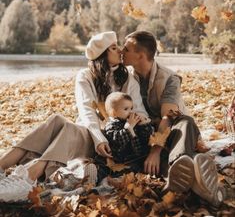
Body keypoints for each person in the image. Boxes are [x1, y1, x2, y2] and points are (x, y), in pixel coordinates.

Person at [0, 31, 149, 202]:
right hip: (94, 136)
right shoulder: (85, 76)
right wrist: (99, 138)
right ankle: (1, 166)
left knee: (69, 129)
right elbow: (86, 111)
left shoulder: (127, 78)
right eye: (114, 48)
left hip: (114, 140)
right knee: (56, 120)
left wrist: (127, 126)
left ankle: (28, 178)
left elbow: (139, 111)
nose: (121, 50)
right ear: (102, 54)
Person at [122, 30, 225, 206]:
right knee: (169, 155)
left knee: (186, 122)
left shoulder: (170, 78)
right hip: (148, 132)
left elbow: (167, 117)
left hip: (175, 131)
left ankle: (177, 167)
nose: (121, 52)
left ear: (140, 55)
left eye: (126, 49)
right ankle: (199, 184)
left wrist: (155, 151)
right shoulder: (126, 78)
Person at [94, 91, 155, 182]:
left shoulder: (133, 122)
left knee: (140, 168)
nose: (130, 112)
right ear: (114, 113)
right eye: (126, 109)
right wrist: (128, 128)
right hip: (123, 161)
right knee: (116, 170)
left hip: (139, 157)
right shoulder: (112, 125)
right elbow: (117, 140)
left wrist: (144, 124)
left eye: (131, 108)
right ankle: (96, 175)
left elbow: (147, 137)